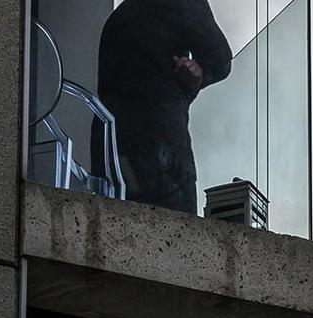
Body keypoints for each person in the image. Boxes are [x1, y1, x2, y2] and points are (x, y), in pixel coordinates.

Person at [94, 0, 233, 214]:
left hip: (113, 138)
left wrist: (196, 75)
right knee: (175, 228)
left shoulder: (123, 15)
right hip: (157, 138)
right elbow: (220, 58)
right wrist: (197, 77)